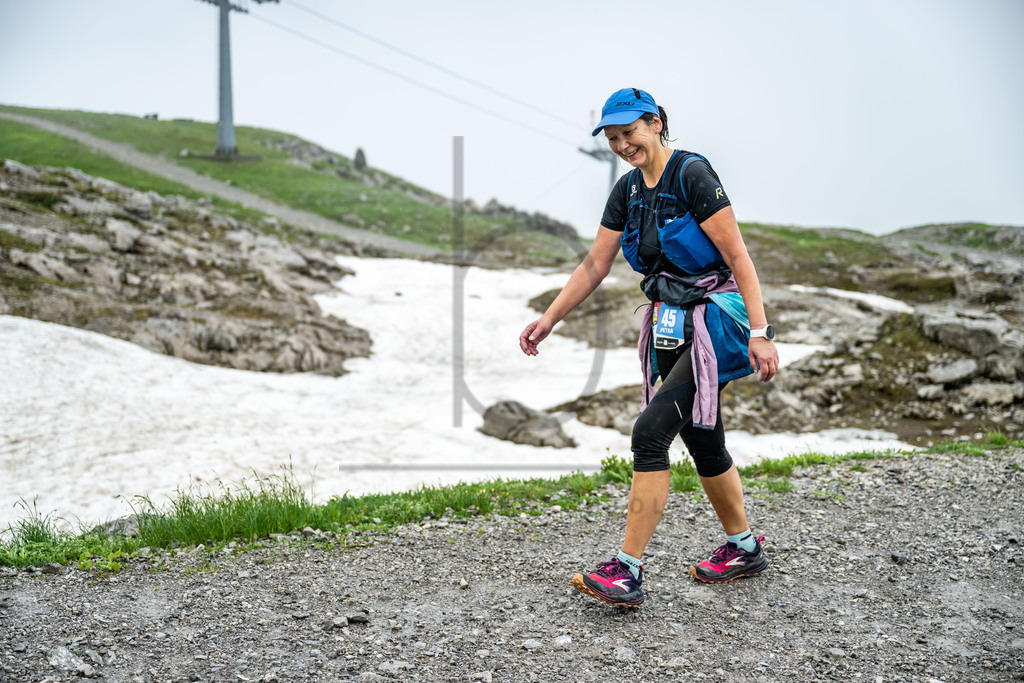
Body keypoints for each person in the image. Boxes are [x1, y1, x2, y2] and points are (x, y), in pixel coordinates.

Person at [518, 88, 779, 607]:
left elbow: (738, 256)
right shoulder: (628, 190)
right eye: (612, 138)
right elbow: (596, 264)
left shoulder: (692, 175)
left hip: (714, 323)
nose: (621, 145)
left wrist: (760, 331)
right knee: (703, 437)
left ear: (656, 123)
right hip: (669, 322)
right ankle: (744, 548)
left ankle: (628, 570)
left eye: (628, 133)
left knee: (651, 432)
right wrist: (550, 317)